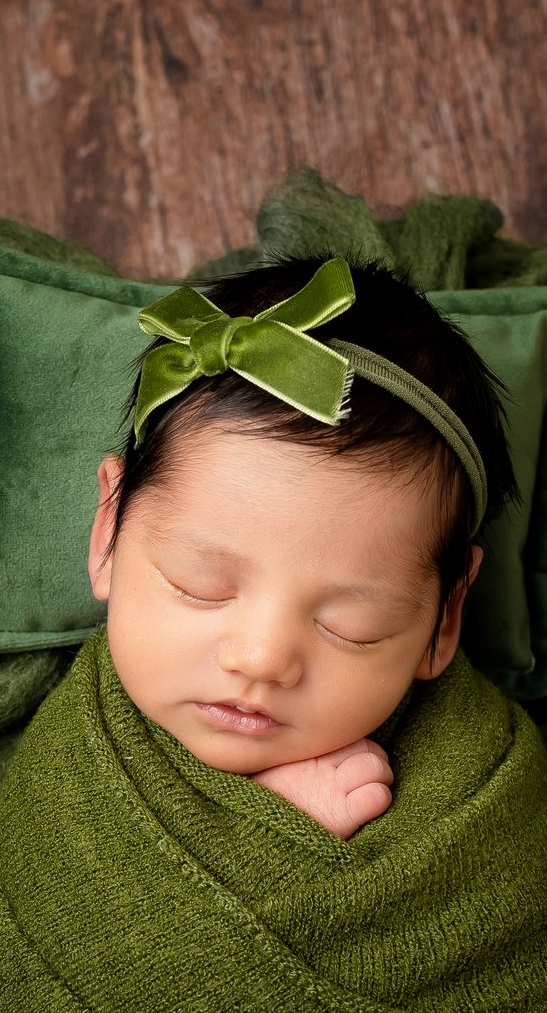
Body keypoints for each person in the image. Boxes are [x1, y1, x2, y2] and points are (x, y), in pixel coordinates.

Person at [82, 255, 520, 838]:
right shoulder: (76, 760)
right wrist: (264, 843)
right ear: (110, 529)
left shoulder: (480, 781)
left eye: (350, 625)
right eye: (198, 584)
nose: (262, 659)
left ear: (445, 619)